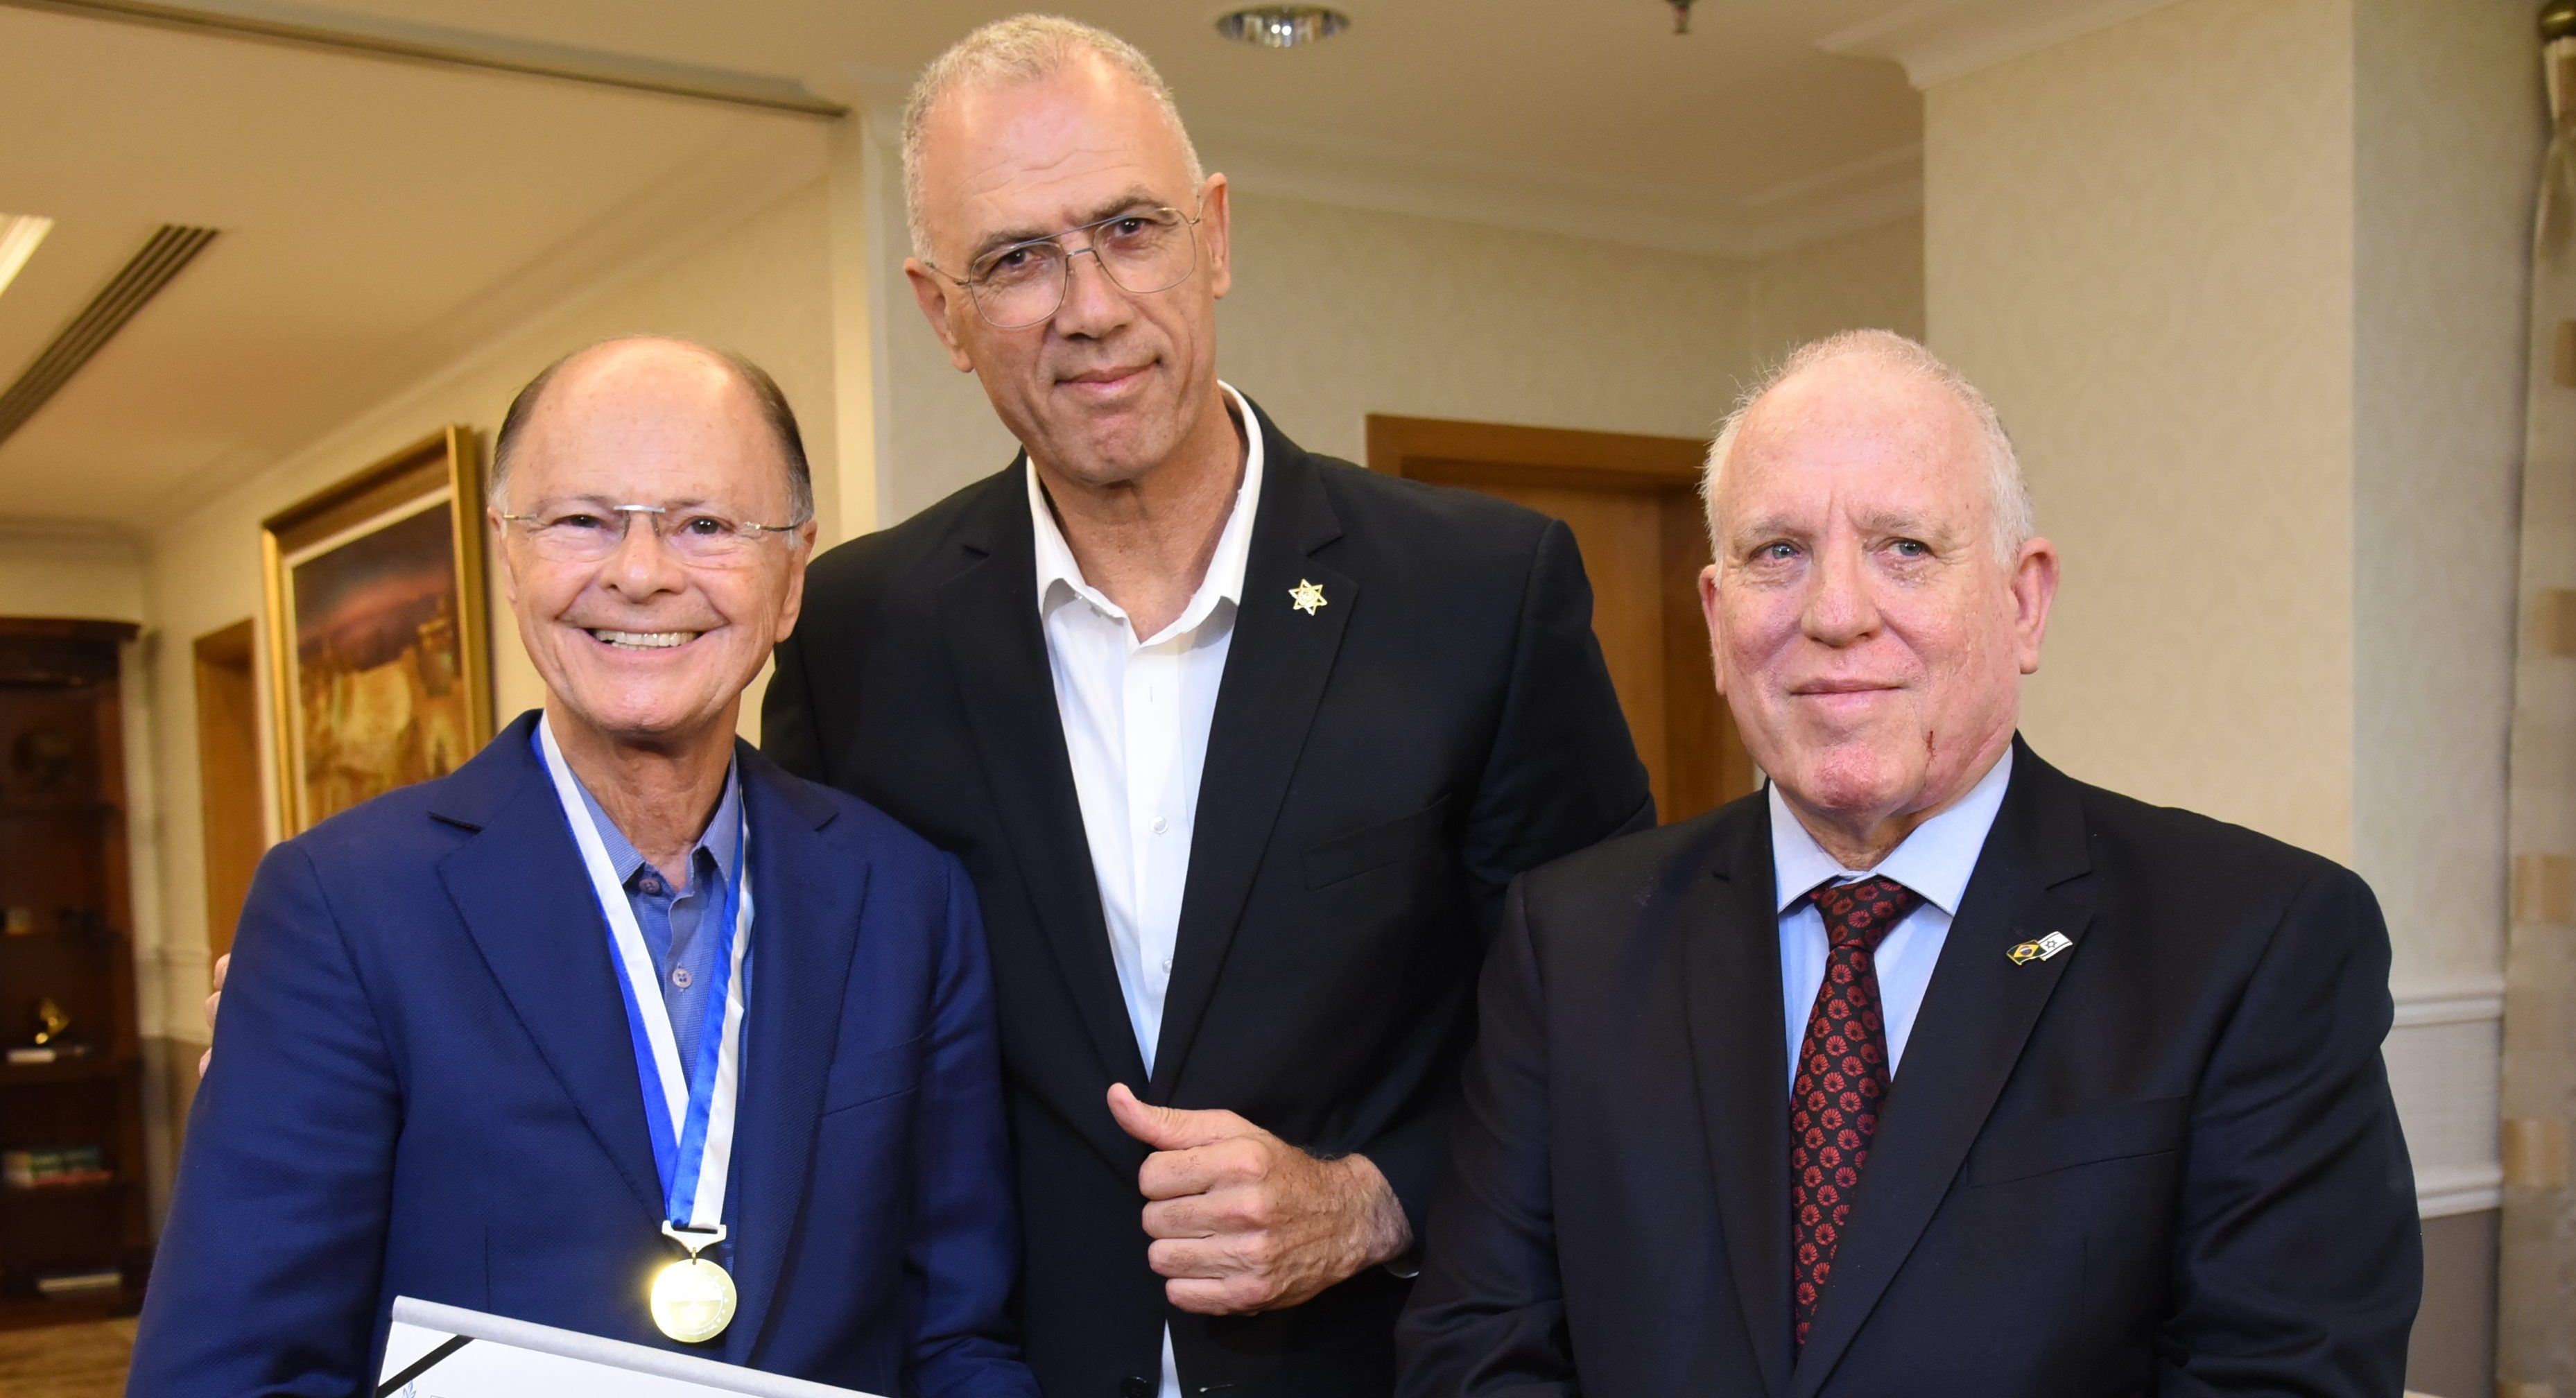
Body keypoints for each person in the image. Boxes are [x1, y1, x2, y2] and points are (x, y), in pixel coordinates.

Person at [759, 17, 1650, 1398]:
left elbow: (1609, 1022)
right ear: (940, 312)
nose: (1091, 306)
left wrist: (1375, 1199)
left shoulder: (1479, 593)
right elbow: (836, 1067)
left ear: (1214, 237)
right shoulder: (856, 635)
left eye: (1128, 229)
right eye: (1014, 260)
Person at [1394, 331, 2421, 1397]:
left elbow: (2285, 1376)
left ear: (2026, 603)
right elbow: (1478, 1350)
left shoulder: (2254, 941)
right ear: (1716, 616)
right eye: (1778, 553)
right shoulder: (1571, 942)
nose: (1836, 615)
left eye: (1907, 550)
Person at [137, 338, 1038, 1397]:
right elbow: (229, 1373)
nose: (642, 572)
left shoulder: (906, 901)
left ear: (791, 578)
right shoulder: (341, 908)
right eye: (582, 522)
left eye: (705, 525)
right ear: (508, 557)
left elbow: (956, 1340)